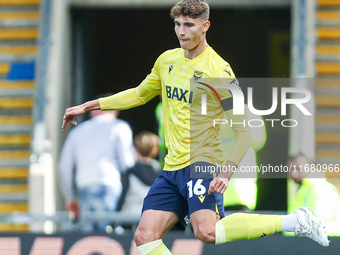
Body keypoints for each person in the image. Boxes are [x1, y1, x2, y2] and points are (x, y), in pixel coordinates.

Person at [62, 0, 329, 253]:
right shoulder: (167, 61)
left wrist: (226, 172)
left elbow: (244, 131)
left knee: (207, 232)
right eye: (178, 24)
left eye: (189, 25)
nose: (181, 31)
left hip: (202, 163)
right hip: (172, 168)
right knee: (144, 236)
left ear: (205, 26)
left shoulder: (221, 72)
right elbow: (139, 94)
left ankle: (294, 221)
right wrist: (89, 106)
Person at [58, 107, 135, 232]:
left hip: (83, 188)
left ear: (93, 111)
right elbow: (128, 163)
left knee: (88, 238)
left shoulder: (77, 132)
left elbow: (64, 167)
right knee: (109, 236)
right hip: (110, 186)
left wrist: (70, 197)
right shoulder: (119, 126)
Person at [287, 154, 340, 236]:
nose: (294, 173)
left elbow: (319, 225)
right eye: (290, 169)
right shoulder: (303, 190)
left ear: (311, 167)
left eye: (298, 168)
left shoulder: (319, 188)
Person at [120, 131, 162, 214]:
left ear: (135, 149)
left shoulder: (129, 173)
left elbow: (122, 198)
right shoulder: (163, 175)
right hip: (153, 216)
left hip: (130, 217)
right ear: (156, 151)